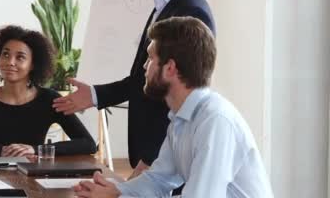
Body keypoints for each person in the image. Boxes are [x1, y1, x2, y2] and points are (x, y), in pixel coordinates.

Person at [53, 0, 216, 178]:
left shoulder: (191, 11)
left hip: (164, 160)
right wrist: (96, 95)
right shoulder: (165, 6)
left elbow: (181, 94)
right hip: (153, 158)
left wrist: (155, 160)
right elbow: (144, 78)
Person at [74, 17, 273, 197]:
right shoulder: (181, 117)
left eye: (150, 58)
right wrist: (116, 191)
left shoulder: (215, 121)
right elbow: (159, 180)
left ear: (170, 68)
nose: (145, 66)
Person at [0, 25, 96, 157]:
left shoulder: (49, 99)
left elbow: (88, 144)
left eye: (20, 57)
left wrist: (36, 149)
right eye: (5, 54)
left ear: (33, 64)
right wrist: (1, 150)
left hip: (35, 177)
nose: (10, 62)